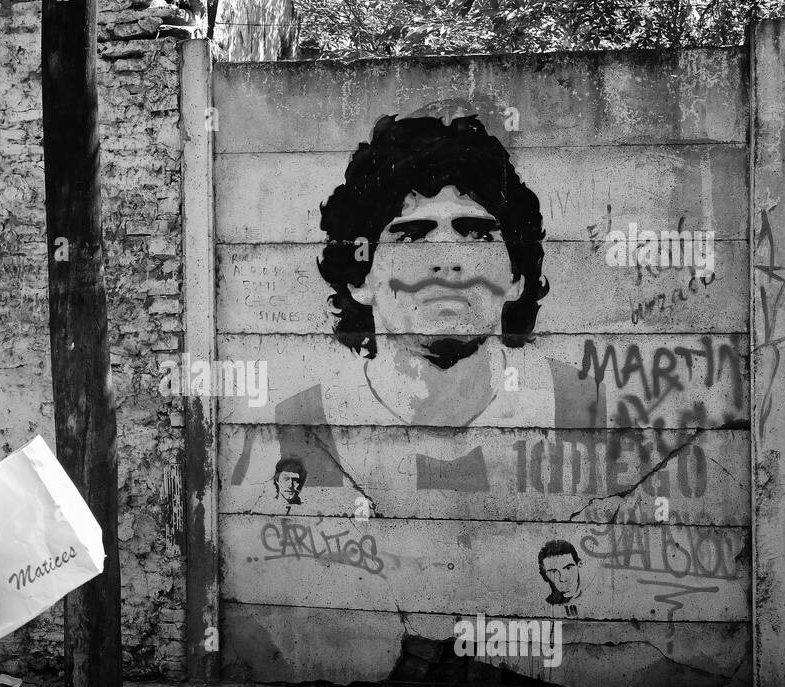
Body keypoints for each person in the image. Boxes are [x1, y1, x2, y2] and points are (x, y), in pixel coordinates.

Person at [230, 112, 603, 496]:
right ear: (360, 280)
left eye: (475, 233)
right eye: (411, 236)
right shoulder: (305, 420)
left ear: (516, 277)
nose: (446, 258)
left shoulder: (574, 401)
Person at [538, 538, 584, 616]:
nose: (562, 579)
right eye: (553, 571)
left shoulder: (595, 598)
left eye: (568, 568)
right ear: (544, 575)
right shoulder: (545, 604)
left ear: (579, 565)